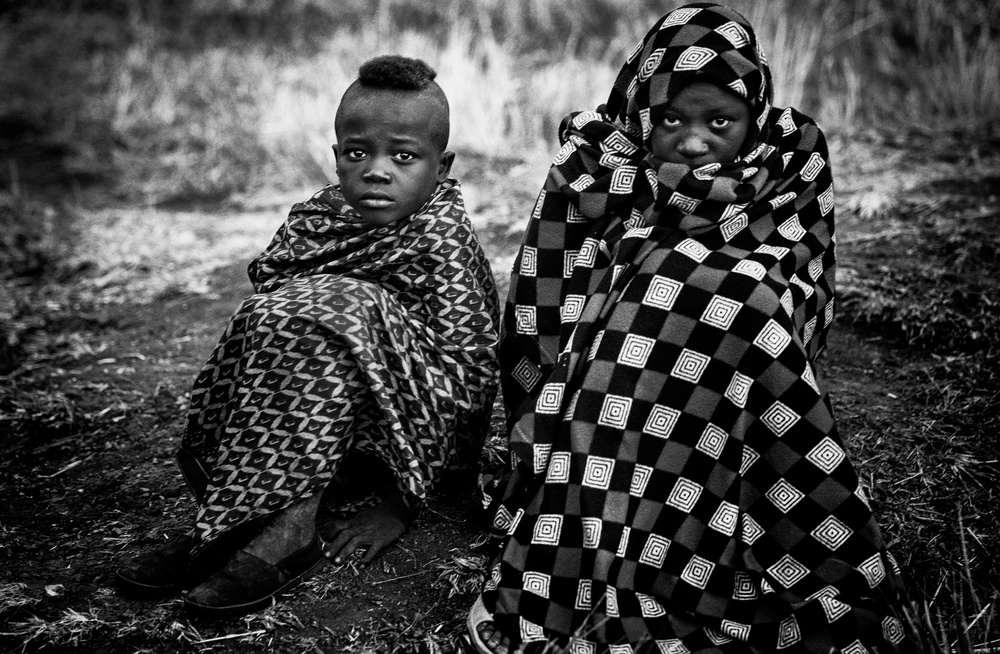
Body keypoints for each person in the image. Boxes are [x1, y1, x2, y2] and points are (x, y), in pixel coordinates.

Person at [464, 4, 910, 653]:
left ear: (753, 113)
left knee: (734, 302)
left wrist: (701, 279)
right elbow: (549, 290)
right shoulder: (596, 159)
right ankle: (605, 549)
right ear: (643, 108)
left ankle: (749, 540)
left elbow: (800, 268)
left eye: (719, 121)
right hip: (621, 374)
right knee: (654, 301)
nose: (695, 141)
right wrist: (647, 272)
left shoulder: (794, 155)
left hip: (740, 347)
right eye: (672, 119)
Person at [115, 55, 499, 620]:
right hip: (318, 426)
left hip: (404, 435)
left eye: (404, 156)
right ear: (337, 155)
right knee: (270, 311)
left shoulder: (441, 239)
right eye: (356, 152)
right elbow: (271, 307)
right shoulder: (316, 221)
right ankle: (241, 518)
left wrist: (400, 505)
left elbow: (470, 378)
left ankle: (289, 533)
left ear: (441, 167)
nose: (376, 170)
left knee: (341, 305)